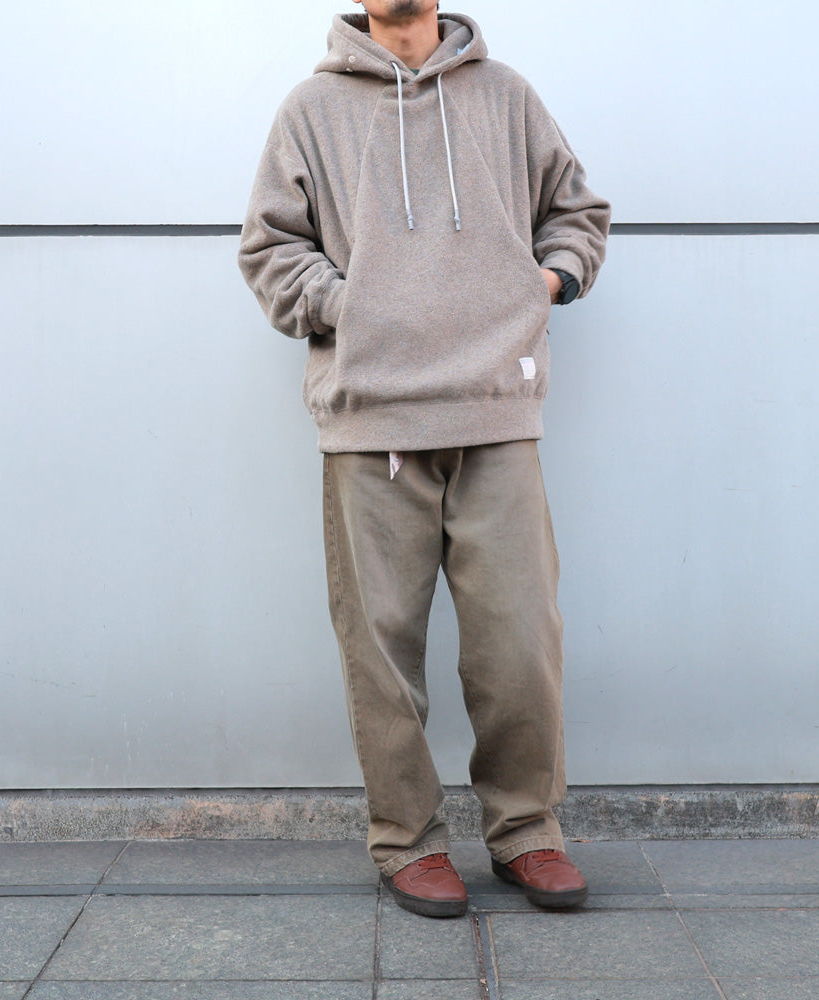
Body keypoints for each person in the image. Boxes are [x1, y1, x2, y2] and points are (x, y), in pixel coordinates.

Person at [239, 0, 610, 918]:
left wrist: (543, 283)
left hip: (494, 412)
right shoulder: (310, 110)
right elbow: (270, 248)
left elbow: (577, 213)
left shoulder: (506, 96)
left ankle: (526, 832)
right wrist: (354, 307)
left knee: (520, 641)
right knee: (382, 652)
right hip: (373, 424)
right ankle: (407, 842)